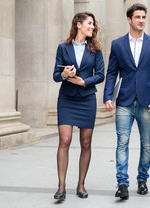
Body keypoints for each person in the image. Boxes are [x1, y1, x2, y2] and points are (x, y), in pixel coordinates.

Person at [104, 3, 150, 199]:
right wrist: (107, 96)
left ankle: (142, 179)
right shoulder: (117, 44)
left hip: (147, 101)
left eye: (144, 17)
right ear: (129, 20)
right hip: (124, 100)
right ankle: (122, 183)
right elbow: (112, 72)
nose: (141, 20)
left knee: (146, 143)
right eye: (137, 17)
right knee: (123, 141)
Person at [53, 12, 104, 200]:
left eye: (93, 24)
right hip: (66, 99)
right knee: (64, 141)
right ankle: (61, 186)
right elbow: (55, 75)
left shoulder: (96, 50)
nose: (93, 26)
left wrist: (84, 82)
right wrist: (65, 74)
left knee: (85, 142)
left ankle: (81, 184)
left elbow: (100, 74)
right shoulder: (63, 48)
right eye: (89, 23)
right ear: (78, 24)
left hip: (87, 98)